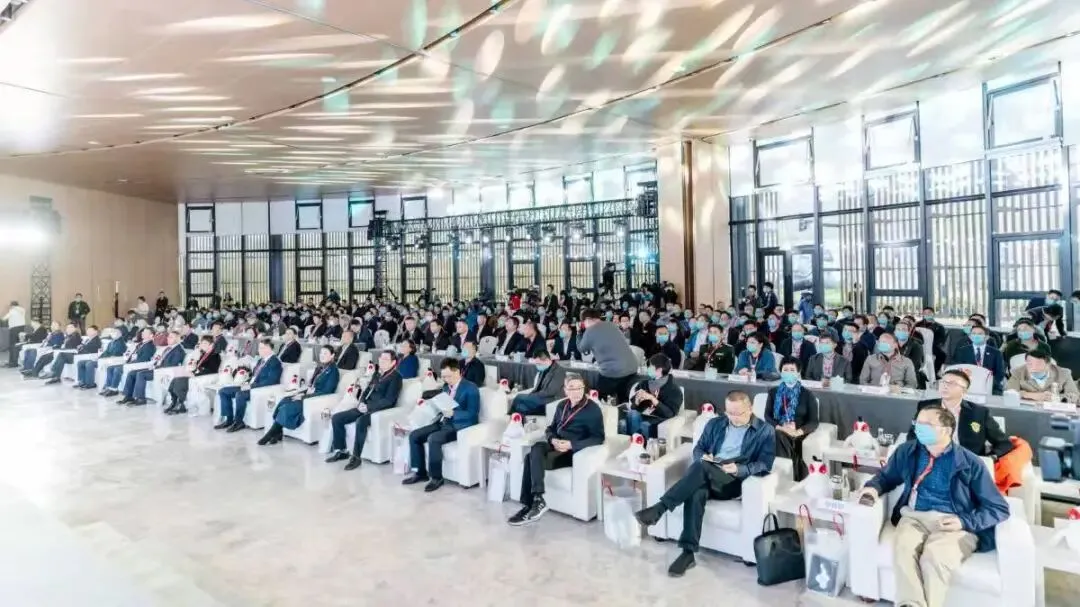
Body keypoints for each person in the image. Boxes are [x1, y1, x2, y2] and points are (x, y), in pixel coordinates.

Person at [857, 406, 1010, 607]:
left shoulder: (970, 463)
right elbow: (885, 477)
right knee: (903, 550)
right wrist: (872, 489)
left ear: (946, 430)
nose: (919, 428)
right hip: (914, 517)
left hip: (954, 525)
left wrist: (964, 522)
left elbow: (998, 508)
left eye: (926, 424)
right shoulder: (908, 451)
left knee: (934, 558)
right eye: (917, 423)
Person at [634, 391, 775, 577]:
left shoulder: (765, 431)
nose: (733, 418)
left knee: (700, 468)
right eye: (729, 413)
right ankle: (687, 553)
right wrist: (703, 456)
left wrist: (739, 469)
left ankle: (659, 508)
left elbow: (765, 464)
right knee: (696, 489)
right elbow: (698, 448)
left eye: (738, 413)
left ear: (750, 409)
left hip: (732, 481)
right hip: (709, 471)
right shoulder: (715, 423)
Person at [507, 373, 605, 526]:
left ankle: (531, 504)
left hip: (572, 452)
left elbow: (598, 438)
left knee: (529, 458)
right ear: (565, 390)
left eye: (580, 388)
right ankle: (536, 501)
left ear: (584, 388)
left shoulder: (592, 409)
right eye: (572, 388)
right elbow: (550, 428)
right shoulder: (562, 405)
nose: (576, 392)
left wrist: (572, 444)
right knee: (536, 448)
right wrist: (552, 439)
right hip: (555, 444)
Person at [403, 358, 480, 492]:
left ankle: (436, 478)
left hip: (459, 426)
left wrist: (454, 414)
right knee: (414, 435)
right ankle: (419, 472)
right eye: (443, 377)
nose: (446, 380)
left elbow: (473, 414)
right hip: (443, 421)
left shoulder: (471, 388)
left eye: (448, 376)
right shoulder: (445, 387)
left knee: (434, 438)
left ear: (458, 372)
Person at [909, 370, 1014, 459]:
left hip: (966, 464)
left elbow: (1004, 443)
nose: (945, 386)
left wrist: (989, 458)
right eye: (943, 382)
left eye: (952, 384)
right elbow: (913, 435)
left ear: (964, 391)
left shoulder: (979, 413)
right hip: (930, 460)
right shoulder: (925, 406)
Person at [326, 350, 404, 470]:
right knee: (337, 418)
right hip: (365, 406)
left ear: (393, 362)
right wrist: (361, 402)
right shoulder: (377, 374)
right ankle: (341, 451)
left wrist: (369, 407)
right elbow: (367, 390)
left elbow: (389, 400)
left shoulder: (396, 377)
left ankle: (356, 457)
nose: (381, 361)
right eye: (381, 358)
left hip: (379, 410)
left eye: (385, 359)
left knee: (361, 421)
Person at [260, 345, 340, 445]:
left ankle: (270, 434)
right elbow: (311, 385)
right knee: (284, 400)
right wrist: (300, 393)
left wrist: (303, 397)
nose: (322, 355)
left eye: (325, 353)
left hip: (314, 399)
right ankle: (278, 433)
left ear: (332, 355)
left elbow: (327, 391)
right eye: (321, 353)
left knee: (287, 408)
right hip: (308, 394)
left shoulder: (333, 371)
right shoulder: (320, 367)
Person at [764, 357, 818, 481]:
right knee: (777, 435)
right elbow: (767, 416)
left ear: (798, 373)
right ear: (781, 372)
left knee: (778, 438)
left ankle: (785, 476)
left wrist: (797, 432)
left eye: (792, 370)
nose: (789, 372)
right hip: (778, 431)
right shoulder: (773, 392)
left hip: (798, 434)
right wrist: (782, 428)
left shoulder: (807, 394)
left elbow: (814, 421)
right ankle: (794, 473)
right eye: (785, 370)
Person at [215, 340, 282, 432]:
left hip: (259, 389)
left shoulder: (275, 362)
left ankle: (238, 422)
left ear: (269, 349)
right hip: (249, 385)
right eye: (259, 348)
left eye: (262, 348)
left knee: (240, 394)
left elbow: (271, 381)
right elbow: (255, 376)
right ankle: (229, 419)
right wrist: (246, 382)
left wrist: (252, 386)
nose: (259, 350)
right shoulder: (261, 360)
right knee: (223, 391)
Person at [577, 309, 640, 402]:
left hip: (613, 371)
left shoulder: (590, 331)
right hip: (632, 367)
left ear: (588, 319)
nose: (584, 325)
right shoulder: (612, 325)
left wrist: (578, 333)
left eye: (583, 322)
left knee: (599, 397)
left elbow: (581, 348)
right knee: (623, 397)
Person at [621, 354, 682, 438]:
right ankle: (635, 442)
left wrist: (653, 399)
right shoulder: (643, 384)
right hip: (642, 416)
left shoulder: (674, 390)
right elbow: (633, 407)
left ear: (659, 370)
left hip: (657, 420)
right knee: (632, 415)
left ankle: (638, 441)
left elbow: (670, 414)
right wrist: (637, 401)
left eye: (650, 367)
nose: (648, 369)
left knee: (645, 425)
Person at [119, 330, 186, 406]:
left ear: (177, 339)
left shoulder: (178, 351)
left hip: (163, 372)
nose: (168, 338)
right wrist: (153, 365)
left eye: (171, 337)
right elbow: (159, 359)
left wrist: (156, 367)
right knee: (132, 373)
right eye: (168, 337)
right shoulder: (168, 348)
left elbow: (172, 365)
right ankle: (128, 396)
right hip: (157, 368)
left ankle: (141, 399)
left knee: (141, 374)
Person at [165, 335, 221, 414]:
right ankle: (174, 402)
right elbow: (198, 367)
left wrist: (195, 374)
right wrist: (193, 370)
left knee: (179, 382)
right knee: (174, 381)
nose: (202, 345)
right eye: (202, 343)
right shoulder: (203, 354)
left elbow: (211, 370)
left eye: (205, 343)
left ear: (211, 345)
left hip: (203, 377)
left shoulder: (215, 356)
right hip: (196, 374)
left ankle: (183, 404)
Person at [1007, 349, 1080, 404]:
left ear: (1048, 365)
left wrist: (1056, 398)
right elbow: (1010, 393)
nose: (1033, 368)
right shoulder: (1018, 372)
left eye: (1038, 364)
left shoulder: (1063, 373)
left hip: (1054, 409)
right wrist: (1030, 395)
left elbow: (1074, 395)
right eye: (1030, 364)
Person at [949, 324, 1006, 393]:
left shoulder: (996, 353)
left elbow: (1000, 374)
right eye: (973, 333)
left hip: (989, 386)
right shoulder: (962, 351)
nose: (976, 336)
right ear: (970, 336)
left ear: (987, 337)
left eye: (980, 334)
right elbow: (957, 370)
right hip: (967, 385)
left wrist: (987, 384)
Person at [100, 328, 155, 396]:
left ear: (151, 335)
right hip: (131, 363)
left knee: (118, 369)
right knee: (110, 368)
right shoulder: (141, 344)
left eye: (145, 332)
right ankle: (108, 387)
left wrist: (131, 362)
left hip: (138, 365)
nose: (142, 333)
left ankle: (114, 389)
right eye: (143, 332)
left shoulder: (149, 345)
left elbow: (144, 359)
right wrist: (128, 359)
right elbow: (131, 354)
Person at [509, 351, 567, 416]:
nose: (537, 366)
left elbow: (550, 391)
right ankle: (515, 419)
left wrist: (532, 396)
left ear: (547, 360)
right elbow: (537, 387)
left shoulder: (559, 371)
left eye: (539, 363)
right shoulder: (544, 369)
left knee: (519, 397)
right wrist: (531, 395)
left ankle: (510, 416)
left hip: (550, 400)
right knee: (521, 407)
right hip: (540, 397)